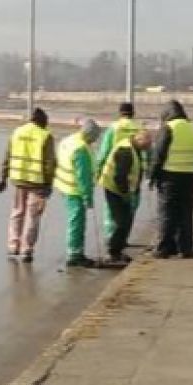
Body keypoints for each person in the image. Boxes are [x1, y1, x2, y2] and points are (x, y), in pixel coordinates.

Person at [0, 107, 56, 262]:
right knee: (32, 216)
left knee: (17, 213)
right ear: (43, 121)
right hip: (37, 182)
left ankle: (13, 246)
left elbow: (7, 157)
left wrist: (3, 178)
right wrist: (49, 184)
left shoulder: (17, 132)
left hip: (18, 180)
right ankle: (26, 249)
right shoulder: (45, 135)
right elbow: (50, 164)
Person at [145, 100, 193, 257]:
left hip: (169, 177)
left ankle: (163, 248)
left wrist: (151, 176)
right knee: (186, 214)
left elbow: (158, 155)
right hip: (189, 177)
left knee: (167, 213)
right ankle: (185, 248)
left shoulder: (168, 128)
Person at [53, 117, 102, 268]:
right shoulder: (81, 149)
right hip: (75, 190)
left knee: (74, 220)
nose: (95, 141)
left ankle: (75, 252)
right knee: (77, 222)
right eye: (95, 138)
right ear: (90, 135)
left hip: (63, 185)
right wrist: (88, 197)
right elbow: (83, 176)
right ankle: (75, 255)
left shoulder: (68, 140)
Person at [95, 101, 141, 249]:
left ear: (120, 113)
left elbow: (104, 152)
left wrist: (98, 171)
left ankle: (111, 237)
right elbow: (147, 152)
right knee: (130, 207)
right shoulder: (139, 128)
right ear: (133, 113)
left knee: (111, 209)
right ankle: (123, 238)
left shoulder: (113, 128)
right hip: (134, 173)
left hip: (113, 171)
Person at [100, 129, 148, 265]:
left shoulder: (134, 147)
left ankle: (117, 250)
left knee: (126, 220)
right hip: (114, 189)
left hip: (122, 189)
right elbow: (119, 176)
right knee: (122, 222)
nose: (147, 149)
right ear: (140, 140)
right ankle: (112, 252)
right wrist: (125, 194)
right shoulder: (126, 151)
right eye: (146, 145)